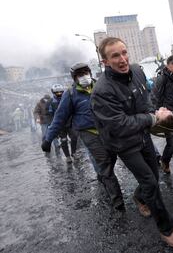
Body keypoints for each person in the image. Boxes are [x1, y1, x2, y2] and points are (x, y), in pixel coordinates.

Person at [90, 37, 173, 250]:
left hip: (142, 134)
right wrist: (152, 119)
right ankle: (167, 229)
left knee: (153, 176)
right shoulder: (102, 91)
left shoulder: (137, 71)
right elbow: (119, 125)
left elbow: (146, 100)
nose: (122, 59)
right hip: (123, 142)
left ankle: (139, 197)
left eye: (124, 52)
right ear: (105, 61)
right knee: (150, 182)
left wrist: (156, 112)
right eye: (115, 55)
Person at [41, 63, 125, 210]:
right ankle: (118, 202)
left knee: (112, 159)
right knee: (104, 163)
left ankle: (103, 177)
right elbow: (59, 117)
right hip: (88, 133)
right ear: (74, 78)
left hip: (108, 130)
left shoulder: (101, 86)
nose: (84, 76)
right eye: (80, 74)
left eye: (86, 72)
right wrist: (48, 139)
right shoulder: (71, 94)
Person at [48, 83, 79, 163]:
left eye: (60, 92)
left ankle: (73, 152)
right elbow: (50, 115)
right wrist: (53, 126)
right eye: (57, 92)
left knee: (74, 137)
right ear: (53, 92)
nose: (59, 94)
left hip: (70, 123)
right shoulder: (51, 102)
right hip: (60, 126)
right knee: (64, 140)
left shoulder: (67, 98)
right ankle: (67, 156)